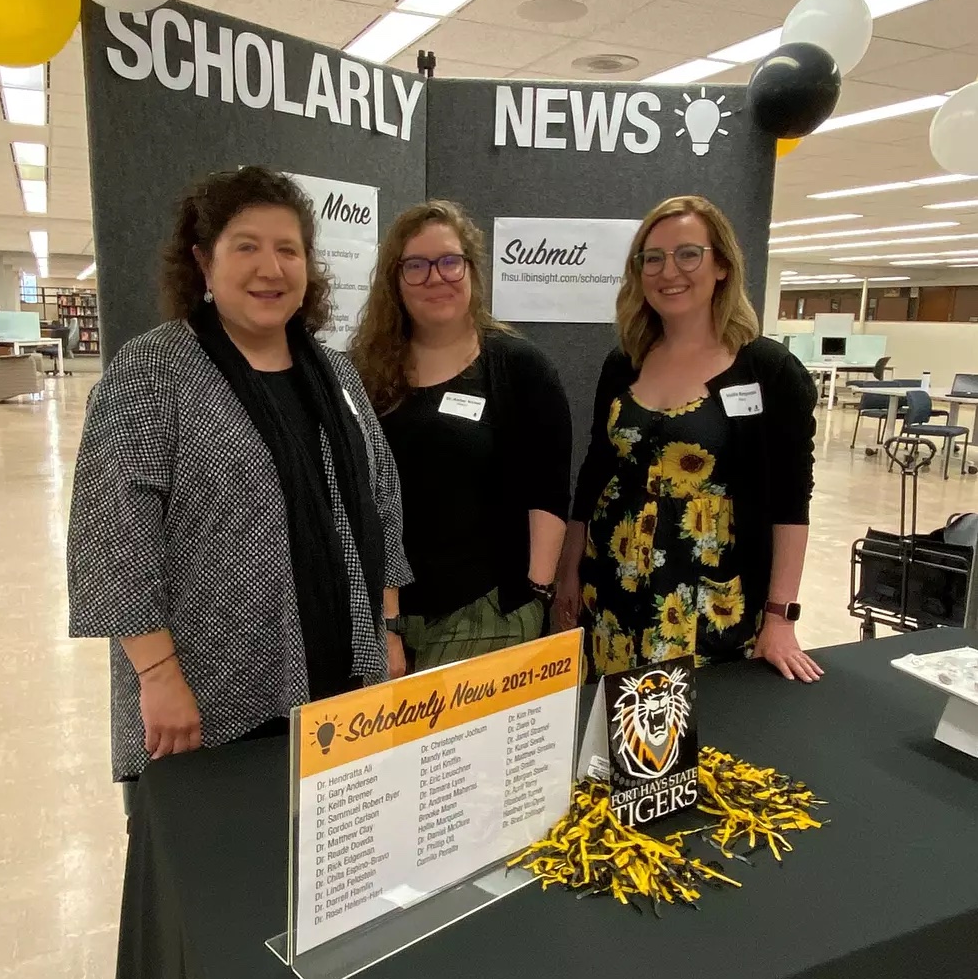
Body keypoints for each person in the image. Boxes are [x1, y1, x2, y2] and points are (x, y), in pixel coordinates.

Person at [67, 166, 411, 786]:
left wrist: (384, 626)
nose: (270, 268)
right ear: (203, 262)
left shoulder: (336, 374)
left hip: (341, 674)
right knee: (222, 864)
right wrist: (157, 674)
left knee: (329, 860)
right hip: (206, 689)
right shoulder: (154, 369)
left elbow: (382, 500)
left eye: (288, 249)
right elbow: (112, 535)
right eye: (246, 246)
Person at [557, 195, 822, 684]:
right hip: (613, 589)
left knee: (707, 745)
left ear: (721, 264)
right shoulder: (624, 362)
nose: (668, 271)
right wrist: (568, 572)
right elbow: (596, 471)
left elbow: (790, 501)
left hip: (711, 596)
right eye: (652, 258)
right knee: (617, 743)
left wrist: (781, 617)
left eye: (687, 254)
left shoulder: (768, 369)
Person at [351, 199, 572, 671]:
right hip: (382, 615)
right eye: (416, 265)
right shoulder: (364, 374)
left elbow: (549, 490)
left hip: (486, 613)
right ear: (395, 279)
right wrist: (381, 619)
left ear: (471, 270)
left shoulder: (519, 367)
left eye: (450, 261)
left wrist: (534, 591)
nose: (436, 277)